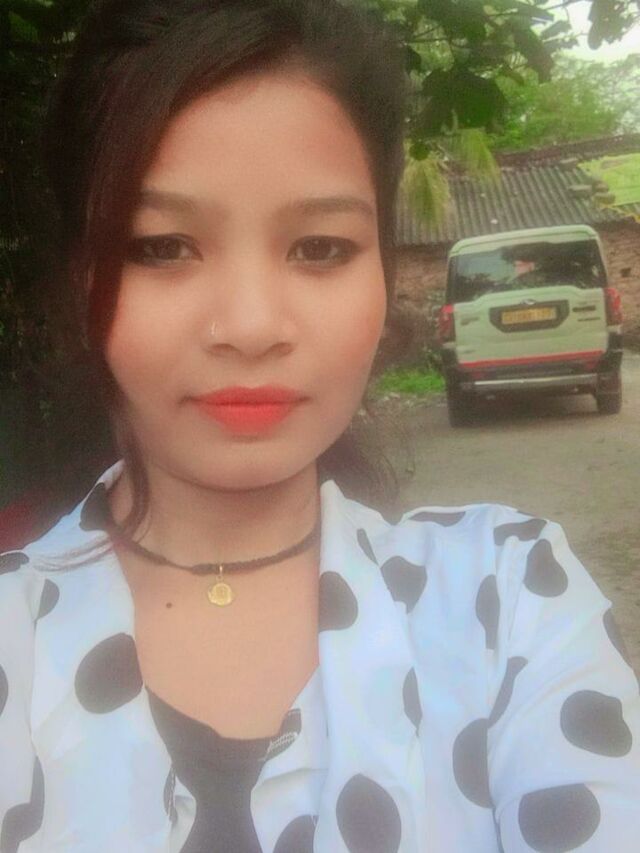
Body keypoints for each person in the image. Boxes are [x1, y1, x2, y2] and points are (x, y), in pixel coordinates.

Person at [1, 1, 639, 851]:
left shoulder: (508, 604)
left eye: (320, 247)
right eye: (162, 246)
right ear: (80, 277)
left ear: (383, 272)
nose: (251, 325)